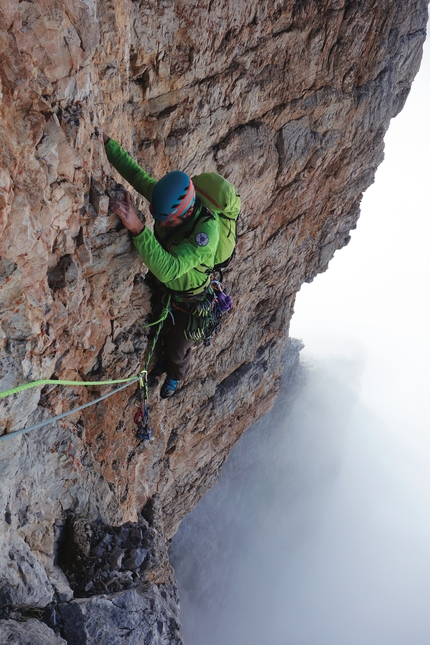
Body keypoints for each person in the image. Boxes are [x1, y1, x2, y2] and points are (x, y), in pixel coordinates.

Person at [103, 134, 220, 398]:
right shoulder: (170, 204)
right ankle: (157, 366)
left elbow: (169, 269)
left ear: (187, 213)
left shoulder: (206, 236)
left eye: (166, 221)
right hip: (168, 290)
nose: (162, 225)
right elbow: (137, 175)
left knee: (178, 347)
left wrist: (137, 227)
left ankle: (176, 376)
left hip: (193, 301)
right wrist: (106, 143)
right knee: (160, 329)